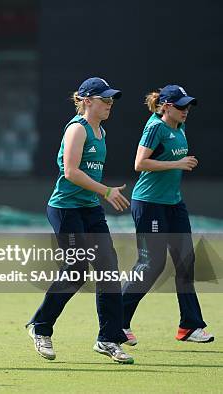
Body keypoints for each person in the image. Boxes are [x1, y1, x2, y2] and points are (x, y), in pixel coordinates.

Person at [26, 77, 134, 364]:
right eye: (104, 99)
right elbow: (72, 172)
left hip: (89, 209)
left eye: (111, 99)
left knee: (108, 271)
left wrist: (101, 195)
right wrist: (107, 191)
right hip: (65, 209)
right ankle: (41, 326)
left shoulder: (101, 131)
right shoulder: (77, 129)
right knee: (76, 269)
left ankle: (108, 338)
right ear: (87, 101)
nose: (110, 103)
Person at [121, 85, 213, 345]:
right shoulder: (155, 128)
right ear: (167, 106)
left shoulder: (179, 127)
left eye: (188, 106)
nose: (186, 110)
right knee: (152, 264)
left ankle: (190, 326)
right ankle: (117, 321)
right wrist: (176, 164)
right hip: (149, 204)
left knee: (186, 261)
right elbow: (140, 163)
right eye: (181, 106)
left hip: (173, 204)